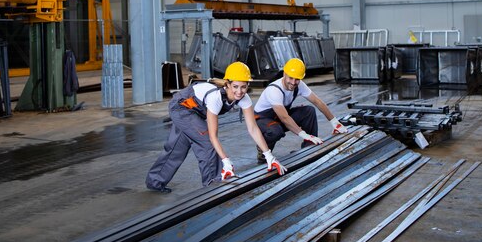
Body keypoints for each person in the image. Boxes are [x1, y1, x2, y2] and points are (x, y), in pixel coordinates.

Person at [146, 61, 287, 193]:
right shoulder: (216, 97)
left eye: (243, 87)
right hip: (182, 108)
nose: (240, 91)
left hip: (196, 112)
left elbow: (253, 128)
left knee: (178, 146)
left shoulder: (244, 99)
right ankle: (213, 185)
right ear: (227, 84)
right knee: (207, 141)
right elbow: (213, 136)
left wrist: (269, 156)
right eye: (235, 87)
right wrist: (226, 161)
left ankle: (155, 181)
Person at [254, 58, 348, 162]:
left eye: (297, 79)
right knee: (275, 131)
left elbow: (317, 102)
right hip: (263, 120)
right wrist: (304, 134)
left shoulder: (299, 85)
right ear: (284, 73)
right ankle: (263, 150)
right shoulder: (274, 90)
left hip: (279, 116)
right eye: (290, 78)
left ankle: (309, 147)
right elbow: (284, 118)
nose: (293, 82)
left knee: (309, 111)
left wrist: (334, 122)